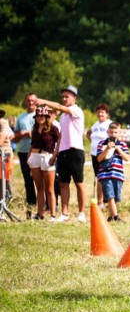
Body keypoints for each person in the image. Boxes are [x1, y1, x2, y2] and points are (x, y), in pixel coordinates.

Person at [36, 86, 87, 223]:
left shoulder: (76, 110)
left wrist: (44, 102)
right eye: (63, 96)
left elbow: (58, 106)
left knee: (79, 183)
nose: (64, 99)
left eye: (67, 96)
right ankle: (64, 213)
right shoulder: (63, 117)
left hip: (75, 150)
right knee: (63, 183)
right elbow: (61, 136)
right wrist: (55, 154)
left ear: (74, 98)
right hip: (63, 151)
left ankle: (81, 213)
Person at [28, 105, 60, 220]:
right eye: (38, 116)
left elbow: (59, 141)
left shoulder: (53, 128)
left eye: (42, 116)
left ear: (47, 117)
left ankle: (53, 214)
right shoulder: (35, 128)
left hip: (47, 156)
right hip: (35, 156)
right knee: (39, 188)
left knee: (50, 189)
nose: (40, 118)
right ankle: (40, 213)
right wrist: (29, 157)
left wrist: (55, 155)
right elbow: (32, 144)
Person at [95, 122, 130, 222]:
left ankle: (110, 217)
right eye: (111, 132)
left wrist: (118, 149)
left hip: (118, 173)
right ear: (107, 132)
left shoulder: (123, 144)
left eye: (116, 132)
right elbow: (99, 158)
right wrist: (107, 148)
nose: (113, 134)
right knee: (109, 194)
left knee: (115, 197)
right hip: (105, 173)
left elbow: (127, 158)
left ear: (119, 133)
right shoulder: (102, 143)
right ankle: (116, 216)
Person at [13, 93, 39, 217]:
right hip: (23, 151)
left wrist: (32, 133)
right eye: (29, 100)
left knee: (39, 179)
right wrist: (22, 134)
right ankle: (31, 203)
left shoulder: (40, 115)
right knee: (27, 180)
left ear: (36, 101)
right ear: (25, 102)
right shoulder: (21, 117)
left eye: (33, 100)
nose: (31, 102)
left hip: (37, 151)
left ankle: (43, 205)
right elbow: (15, 135)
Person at [86, 103, 112, 181]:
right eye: (98, 112)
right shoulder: (95, 124)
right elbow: (88, 133)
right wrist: (93, 142)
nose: (100, 114)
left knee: (104, 176)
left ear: (107, 114)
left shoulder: (110, 124)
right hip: (94, 153)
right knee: (98, 176)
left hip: (105, 154)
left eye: (102, 112)